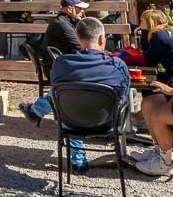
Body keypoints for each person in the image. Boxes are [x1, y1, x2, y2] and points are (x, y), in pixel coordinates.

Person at [47, 17, 131, 174]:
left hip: (71, 124)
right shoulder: (118, 65)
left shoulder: (61, 64)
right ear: (101, 39)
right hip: (107, 125)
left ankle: (77, 160)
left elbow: (55, 90)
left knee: (72, 103)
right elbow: (123, 95)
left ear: (78, 38)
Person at [128, 9, 173, 177]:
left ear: (150, 21)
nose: (140, 23)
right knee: (149, 102)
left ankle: (165, 163)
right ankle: (158, 151)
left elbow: (149, 58)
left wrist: (143, 36)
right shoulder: (167, 32)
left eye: (143, 20)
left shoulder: (157, 36)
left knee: (156, 113)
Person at [19, 0, 90, 123]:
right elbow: (81, 46)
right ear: (70, 9)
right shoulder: (62, 25)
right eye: (79, 9)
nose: (82, 12)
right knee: (75, 83)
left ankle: (36, 110)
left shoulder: (67, 22)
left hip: (64, 66)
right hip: (59, 69)